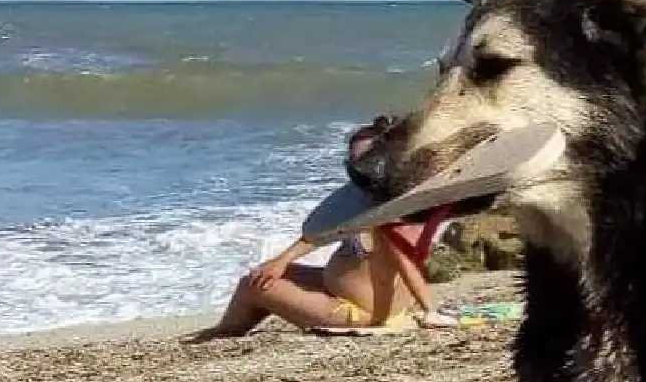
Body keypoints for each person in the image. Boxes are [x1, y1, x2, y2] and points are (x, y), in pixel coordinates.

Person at [188, 120, 458, 342]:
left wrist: (430, 310)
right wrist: (282, 260)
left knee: (252, 285)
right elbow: (324, 229)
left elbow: (405, 260)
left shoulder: (387, 214)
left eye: (363, 160)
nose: (358, 165)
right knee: (269, 272)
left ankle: (225, 332)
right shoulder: (378, 200)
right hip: (362, 299)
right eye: (354, 160)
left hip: (359, 312)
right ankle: (238, 323)